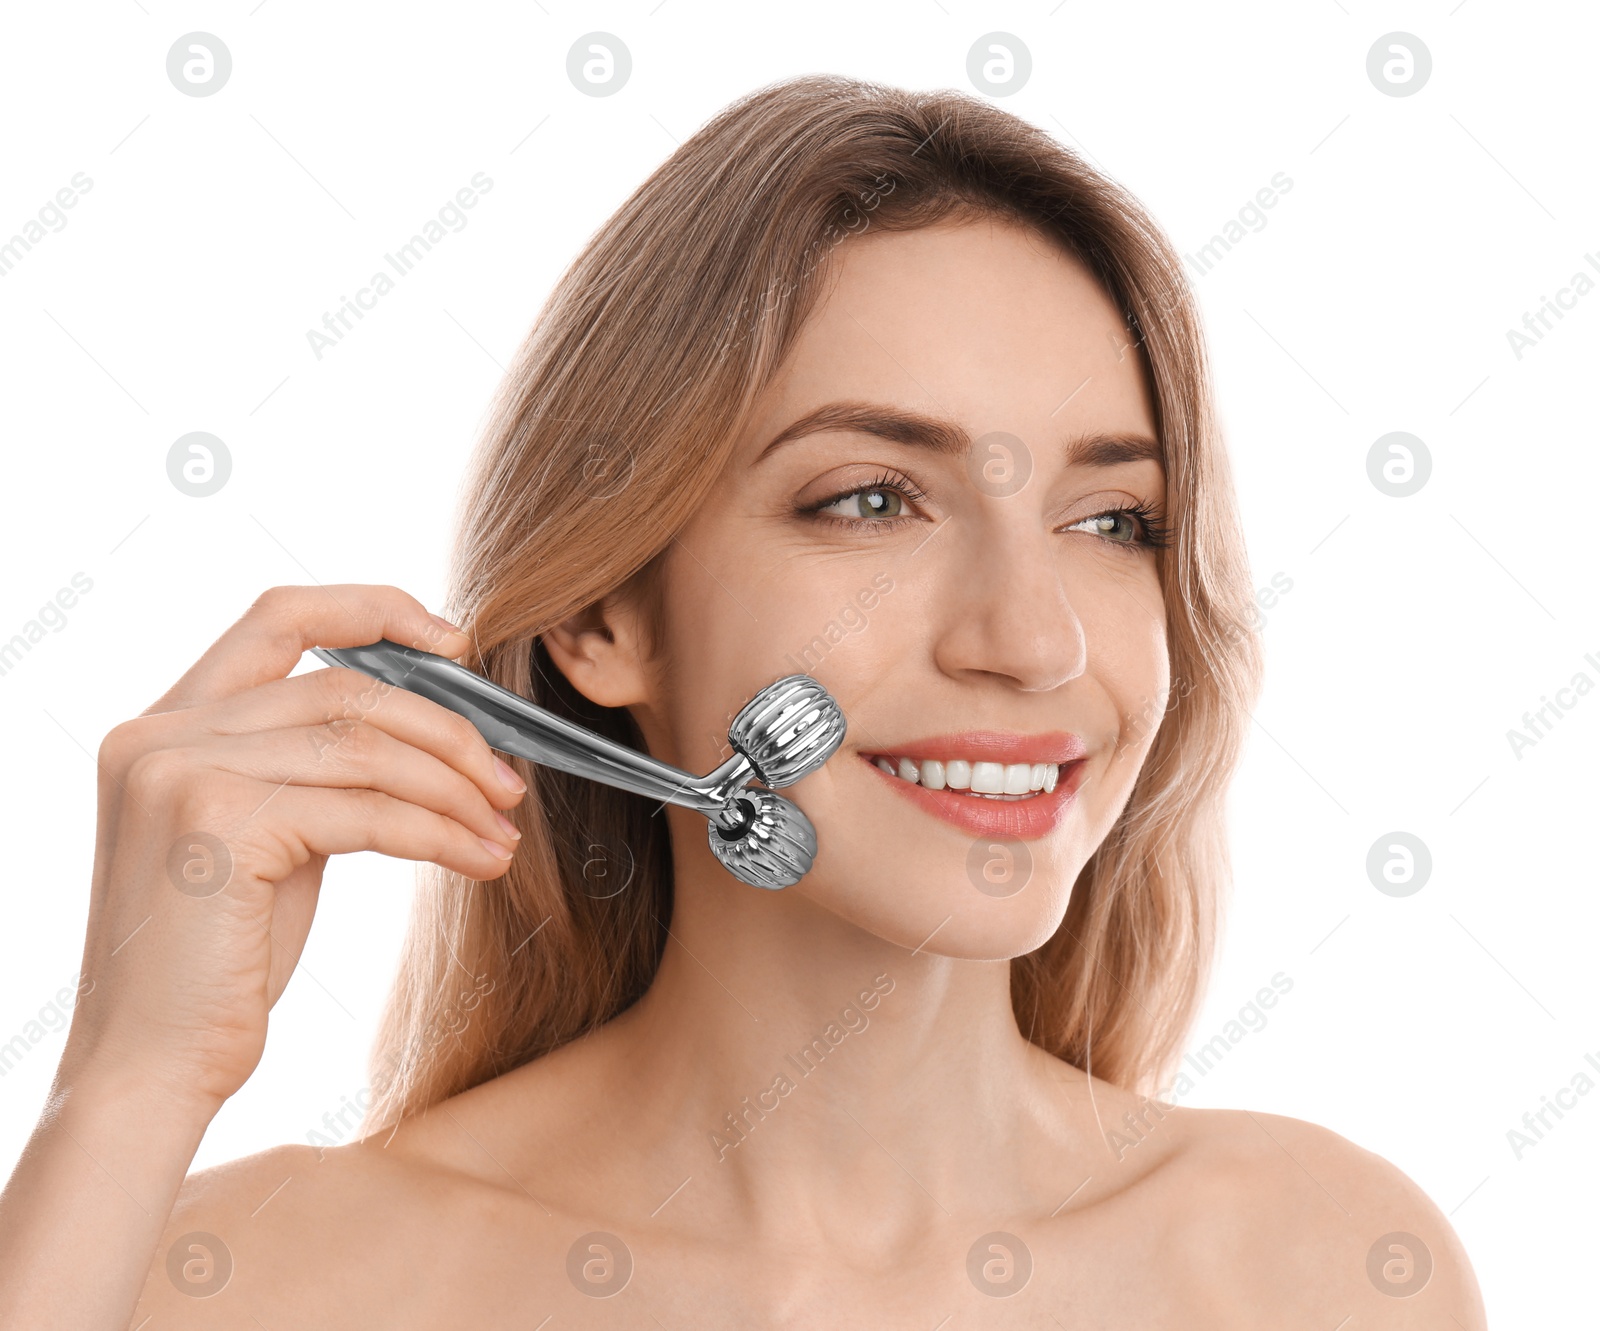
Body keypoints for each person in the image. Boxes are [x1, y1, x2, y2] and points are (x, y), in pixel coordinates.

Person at [0, 74, 1486, 1326]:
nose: (1032, 642)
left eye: (1114, 522)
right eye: (873, 500)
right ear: (600, 615)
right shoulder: (252, 1279)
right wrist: (127, 1089)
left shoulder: (1323, 1269)